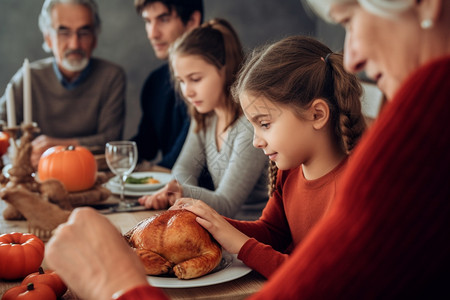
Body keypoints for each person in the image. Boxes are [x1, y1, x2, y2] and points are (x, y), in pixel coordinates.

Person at [44, 0, 450, 299]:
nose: (354, 57)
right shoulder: (291, 171)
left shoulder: (411, 129)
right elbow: (273, 233)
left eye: (349, 18)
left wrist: (114, 285)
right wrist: (218, 224)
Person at [170, 35, 366, 279]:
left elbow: (320, 278)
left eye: (264, 123)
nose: (256, 141)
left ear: (317, 114)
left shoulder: (356, 190)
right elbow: (272, 232)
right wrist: (211, 222)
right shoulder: (291, 169)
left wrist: (241, 245)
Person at [138, 18, 269, 220]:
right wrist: (177, 189)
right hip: (220, 232)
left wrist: (181, 192)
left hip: (248, 241)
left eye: (195, 79)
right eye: (181, 81)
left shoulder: (249, 125)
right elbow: (182, 168)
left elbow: (226, 204)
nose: (187, 92)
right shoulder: (205, 117)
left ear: (225, 69)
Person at [0, 0, 126, 168]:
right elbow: (2, 129)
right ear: (48, 38)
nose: (75, 44)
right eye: (63, 32)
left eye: (84, 32)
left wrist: (57, 147)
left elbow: (111, 140)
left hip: (92, 172)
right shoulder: (28, 77)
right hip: (37, 175)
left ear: (95, 38)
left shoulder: (111, 77)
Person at [131, 0, 202, 169]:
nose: (152, 34)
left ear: (192, 21)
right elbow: (147, 145)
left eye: (164, 19)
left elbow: (182, 158)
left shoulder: (213, 83)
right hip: (170, 187)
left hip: (198, 193)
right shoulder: (155, 81)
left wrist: (149, 172)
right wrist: (108, 157)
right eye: (148, 21)